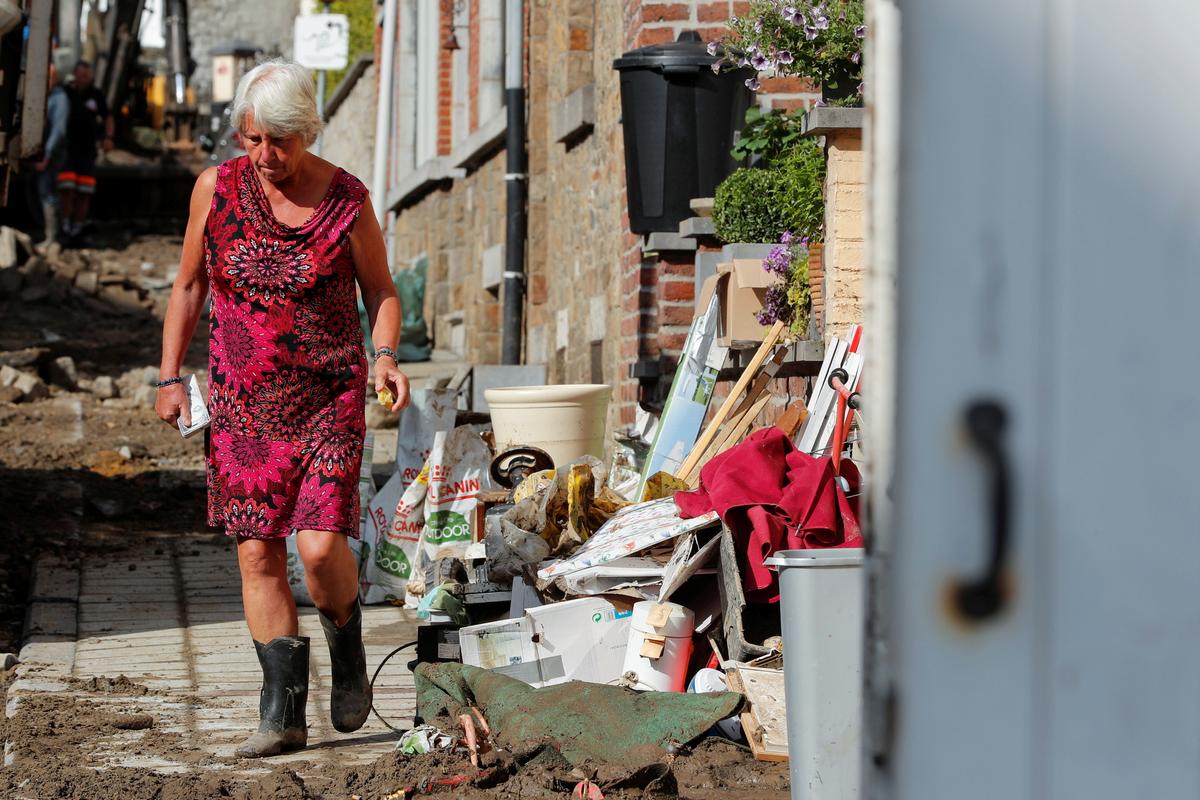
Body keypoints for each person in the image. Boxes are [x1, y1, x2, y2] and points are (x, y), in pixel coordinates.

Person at [154, 59, 410, 758]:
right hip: (241, 404)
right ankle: (282, 715)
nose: (265, 157)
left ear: (309, 132)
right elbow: (187, 287)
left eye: (280, 142)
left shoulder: (347, 201)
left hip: (328, 397)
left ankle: (346, 631)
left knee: (320, 547)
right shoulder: (217, 189)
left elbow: (382, 292)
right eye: (252, 140)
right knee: (258, 553)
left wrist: (385, 357)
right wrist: (169, 376)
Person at [59, 60, 112, 242]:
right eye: (80, 76)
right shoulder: (66, 92)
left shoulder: (96, 95)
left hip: (88, 151)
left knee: (84, 191)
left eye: (86, 77)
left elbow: (107, 117)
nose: (83, 80)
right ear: (75, 75)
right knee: (66, 187)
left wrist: (108, 138)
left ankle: (77, 226)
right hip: (67, 150)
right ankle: (65, 223)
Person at [36, 63, 69, 250]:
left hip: (53, 155)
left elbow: (59, 130)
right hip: (44, 154)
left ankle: (52, 237)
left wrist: (46, 155)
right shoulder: (45, 97)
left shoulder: (60, 98)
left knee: (49, 193)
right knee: (44, 192)